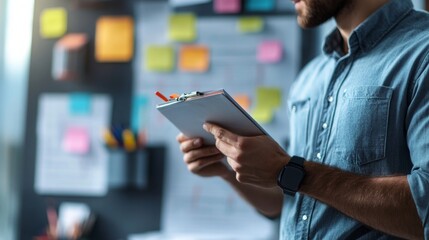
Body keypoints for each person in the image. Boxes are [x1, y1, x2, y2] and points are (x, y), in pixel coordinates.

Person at [177, 0, 429, 238]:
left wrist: (292, 172)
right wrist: (226, 168)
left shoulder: (422, 54)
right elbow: (287, 201)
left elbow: (425, 208)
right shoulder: (310, 77)